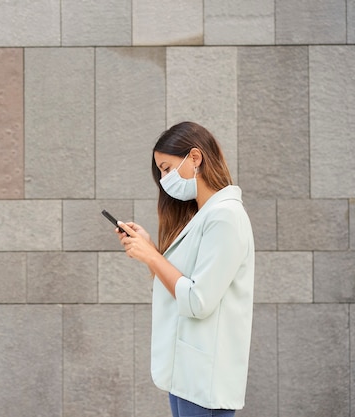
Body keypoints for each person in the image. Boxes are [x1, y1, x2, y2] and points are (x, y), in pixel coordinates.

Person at [115, 121, 254, 417]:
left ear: (195, 158)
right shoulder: (203, 216)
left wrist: (153, 257)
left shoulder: (226, 217)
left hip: (205, 379)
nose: (164, 180)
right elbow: (181, 287)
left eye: (166, 168)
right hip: (187, 374)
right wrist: (150, 251)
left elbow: (197, 301)